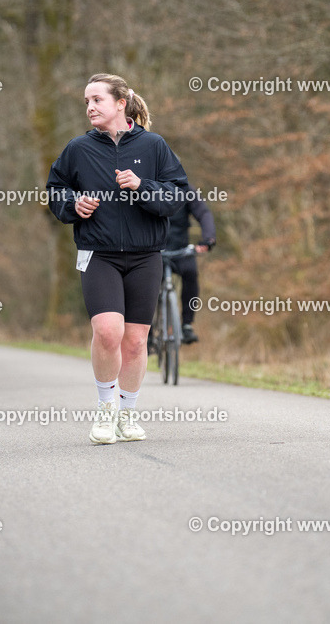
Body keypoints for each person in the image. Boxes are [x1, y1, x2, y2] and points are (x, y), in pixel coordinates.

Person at [47, 73, 189, 445]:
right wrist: (73, 204)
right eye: (87, 102)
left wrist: (143, 187)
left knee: (136, 342)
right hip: (99, 254)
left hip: (145, 256)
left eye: (97, 100)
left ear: (120, 104)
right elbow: (55, 191)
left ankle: (128, 415)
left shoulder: (155, 146)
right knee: (108, 331)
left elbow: (177, 197)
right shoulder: (78, 149)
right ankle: (105, 409)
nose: (90, 107)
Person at [164, 181, 216, 344]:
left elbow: (203, 213)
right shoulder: (145, 187)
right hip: (153, 250)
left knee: (191, 273)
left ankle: (187, 324)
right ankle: (147, 329)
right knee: (144, 282)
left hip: (181, 250)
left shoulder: (186, 190)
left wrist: (208, 239)